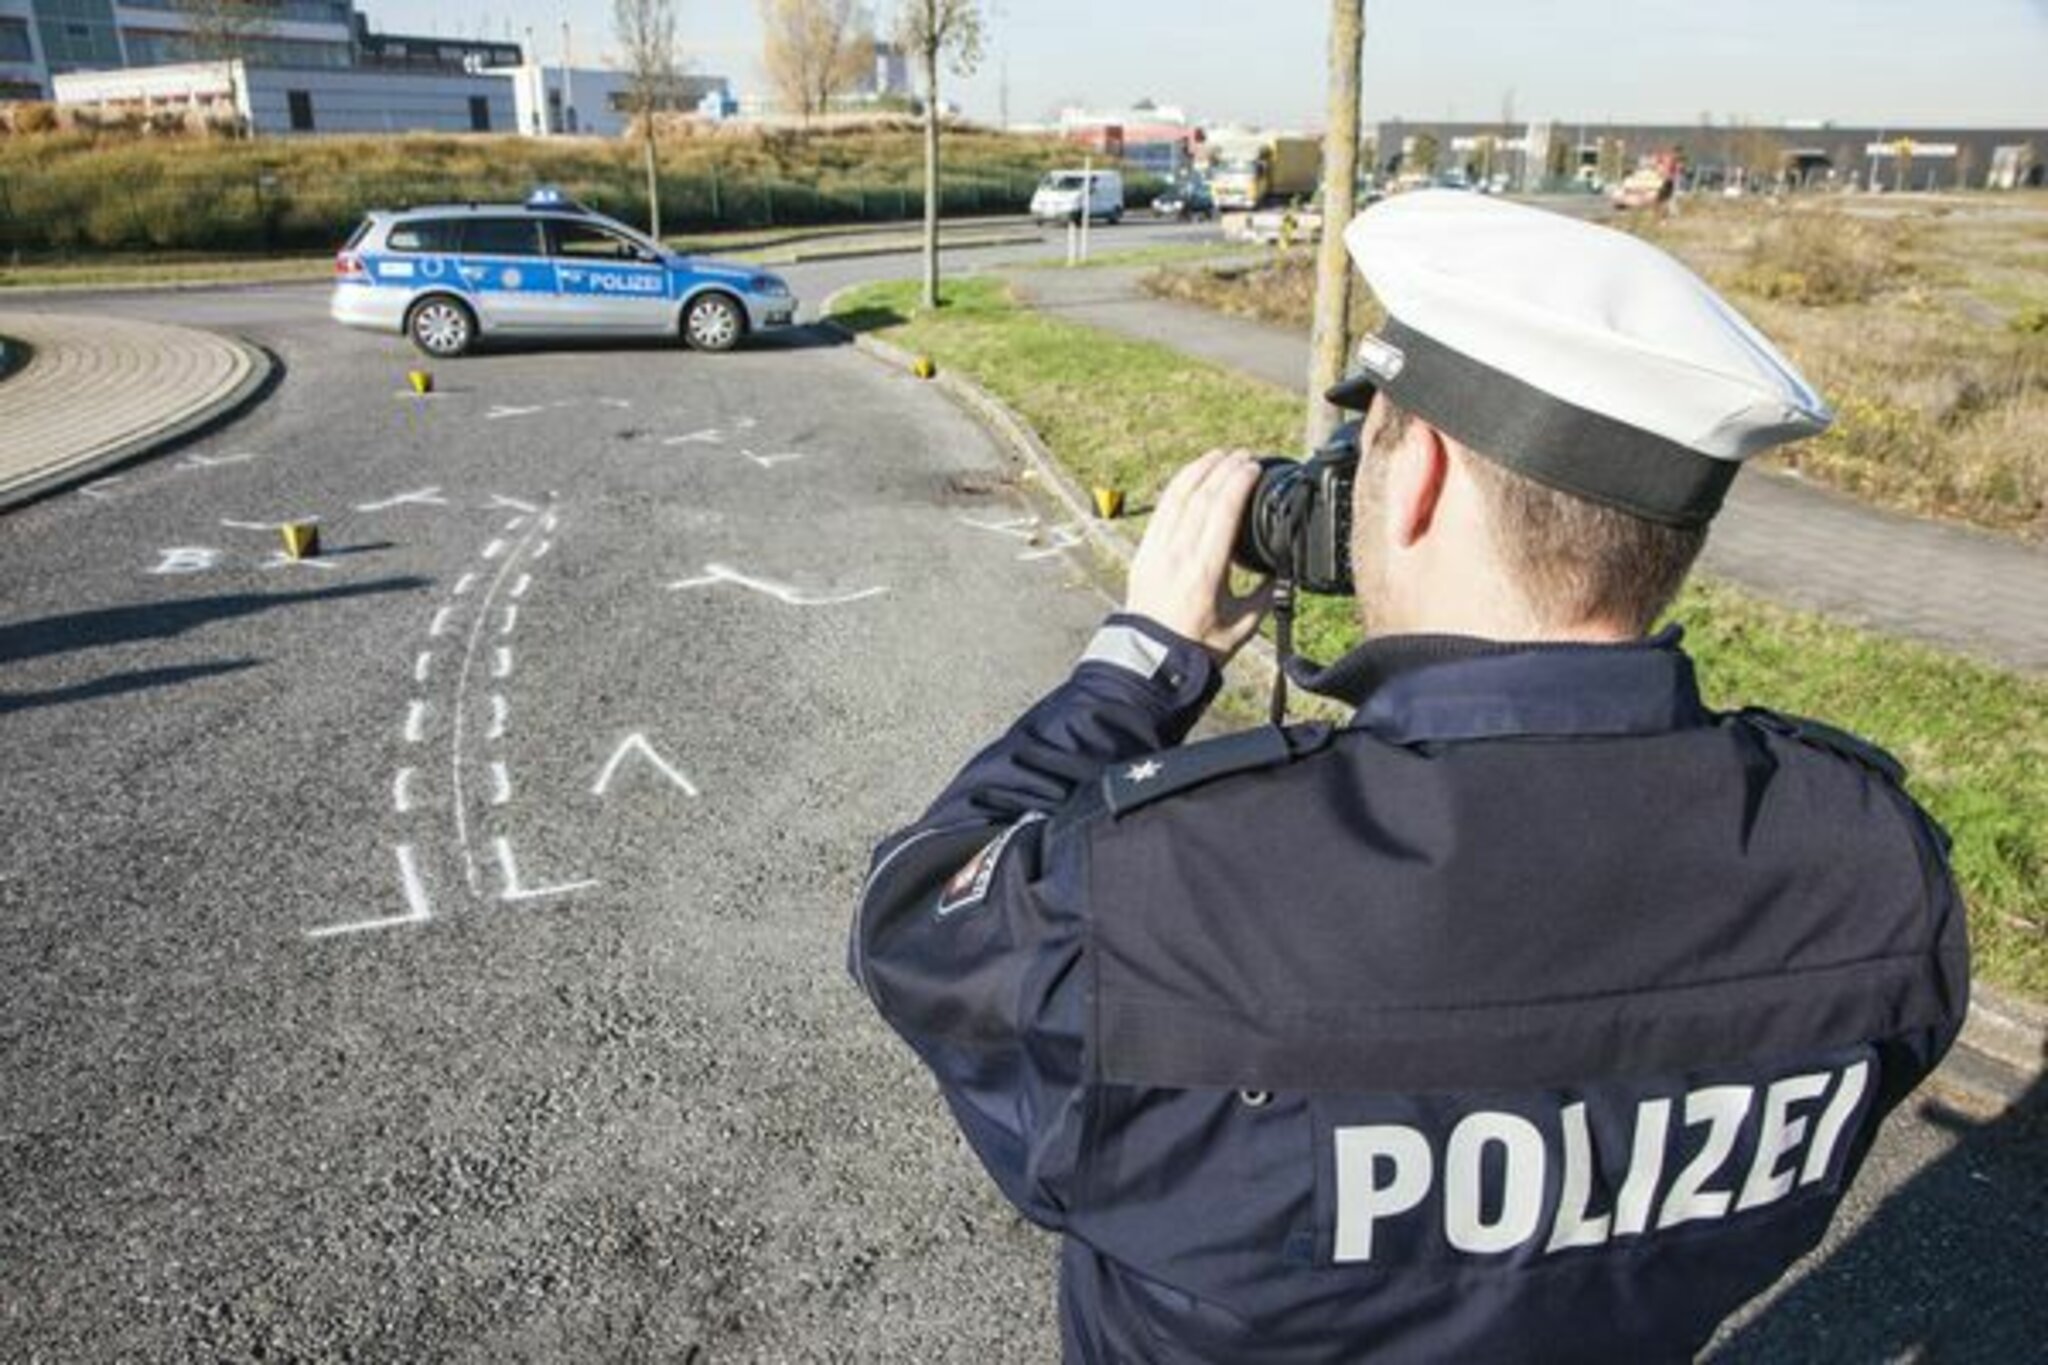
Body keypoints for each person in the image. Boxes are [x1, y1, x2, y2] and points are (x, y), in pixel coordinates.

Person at [849, 191, 1968, 1363]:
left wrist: (1134, 671)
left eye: (1361, 452)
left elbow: (912, 927)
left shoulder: (1170, 888)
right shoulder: (1869, 865)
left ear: (1420, 473)